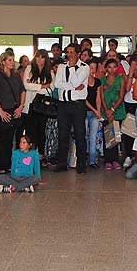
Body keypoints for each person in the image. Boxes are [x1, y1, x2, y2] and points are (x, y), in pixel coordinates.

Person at [53, 44, 90, 174]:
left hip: (78, 105)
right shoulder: (62, 66)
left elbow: (75, 82)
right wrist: (74, 87)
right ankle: (62, 163)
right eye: (68, 52)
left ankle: (81, 165)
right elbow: (57, 84)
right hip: (63, 105)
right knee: (63, 135)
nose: (69, 55)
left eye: (72, 52)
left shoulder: (85, 68)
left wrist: (73, 68)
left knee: (80, 135)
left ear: (78, 53)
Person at [0, 51, 26, 174]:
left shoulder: (16, 75)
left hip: (14, 110)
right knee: (2, 139)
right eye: (9, 60)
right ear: (4, 61)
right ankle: (1, 165)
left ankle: (9, 164)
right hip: (2, 110)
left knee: (11, 139)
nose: (12, 62)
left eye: (13, 60)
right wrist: (0, 110)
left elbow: (22, 91)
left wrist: (21, 106)